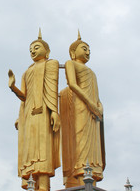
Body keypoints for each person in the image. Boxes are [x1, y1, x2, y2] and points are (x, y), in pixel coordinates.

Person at [8, 30, 60, 191]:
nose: (33, 51)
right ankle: (33, 184)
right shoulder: (26, 72)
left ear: (47, 50)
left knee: (42, 148)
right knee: (30, 151)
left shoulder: (51, 64)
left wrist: (54, 111)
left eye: (36, 47)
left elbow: (52, 88)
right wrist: (13, 87)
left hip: (43, 110)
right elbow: (24, 96)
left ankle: (44, 186)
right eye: (31, 49)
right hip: (28, 114)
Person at [59, 31, 105, 188]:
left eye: (89, 49)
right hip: (81, 106)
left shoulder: (92, 72)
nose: (87, 51)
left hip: (94, 112)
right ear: (73, 52)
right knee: (81, 141)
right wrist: (90, 104)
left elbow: (96, 94)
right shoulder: (70, 63)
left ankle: (92, 180)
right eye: (84, 48)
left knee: (94, 146)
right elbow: (72, 84)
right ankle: (80, 180)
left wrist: (99, 106)